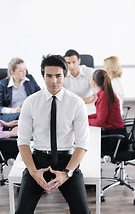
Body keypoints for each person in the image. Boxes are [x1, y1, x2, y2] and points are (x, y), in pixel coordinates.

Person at [15, 55, 90, 214]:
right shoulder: (31, 102)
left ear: (65, 75)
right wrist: (33, 172)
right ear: (42, 76)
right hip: (38, 160)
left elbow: (82, 144)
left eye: (58, 76)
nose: (53, 81)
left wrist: (67, 173)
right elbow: (23, 142)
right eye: (49, 76)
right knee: (22, 211)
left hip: (66, 161)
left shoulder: (77, 103)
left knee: (82, 211)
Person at [88, 69, 128, 152]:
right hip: (118, 134)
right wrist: (85, 117)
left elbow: (99, 122)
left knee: (89, 142)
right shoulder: (106, 93)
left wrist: (85, 121)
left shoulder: (104, 96)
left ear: (93, 82)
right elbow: (100, 115)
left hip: (116, 139)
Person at [0, 57, 40, 122]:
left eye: (25, 69)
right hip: (12, 115)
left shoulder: (30, 79)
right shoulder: (4, 84)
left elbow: (40, 95)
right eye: (20, 71)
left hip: (28, 113)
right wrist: (12, 110)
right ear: (13, 72)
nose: (24, 72)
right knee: (23, 117)